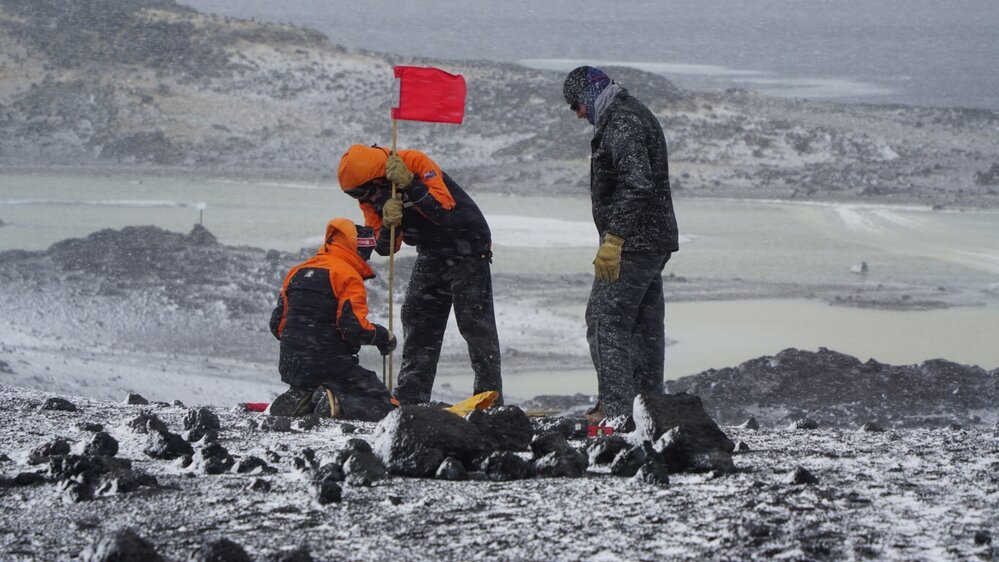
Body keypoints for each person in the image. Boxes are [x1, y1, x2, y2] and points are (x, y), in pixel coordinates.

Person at [336, 144, 503, 405]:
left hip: (469, 247)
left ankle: (490, 397)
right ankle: (412, 396)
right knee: (418, 318)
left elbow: (444, 212)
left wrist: (411, 184)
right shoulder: (370, 198)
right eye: (356, 194)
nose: (365, 198)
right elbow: (385, 248)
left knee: (475, 324)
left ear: (378, 177)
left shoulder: (413, 162)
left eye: (366, 191)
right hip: (431, 251)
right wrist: (389, 225)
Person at [562, 66, 680, 420]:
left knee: (605, 320)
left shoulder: (622, 121)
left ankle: (615, 412)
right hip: (651, 240)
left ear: (590, 93)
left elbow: (637, 183)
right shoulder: (628, 114)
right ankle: (648, 410)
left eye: (576, 104)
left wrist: (615, 238)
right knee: (644, 327)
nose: (578, 114)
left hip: (635, 242)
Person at [268, 217, 398, 421]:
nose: (367, 258)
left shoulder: (297, 271)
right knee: (384, 405)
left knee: (314, 382)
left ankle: (306, 397)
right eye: (367, 253)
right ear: (358, 249)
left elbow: (277, 325)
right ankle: (334, 404)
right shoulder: (347, 276)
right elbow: (354, 330)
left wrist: (301, 344)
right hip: (331, 366)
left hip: (291, 365)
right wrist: (383, 337)